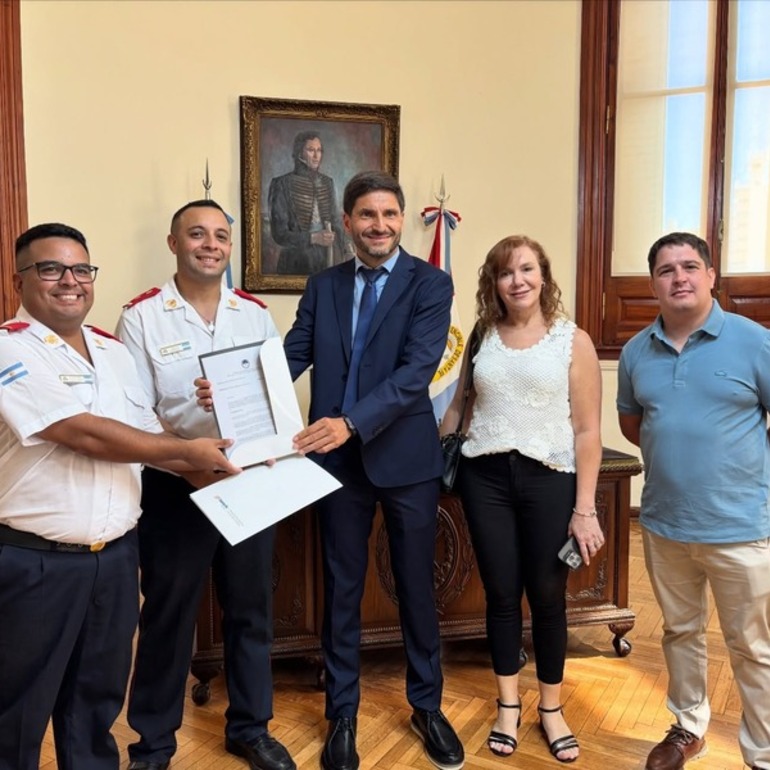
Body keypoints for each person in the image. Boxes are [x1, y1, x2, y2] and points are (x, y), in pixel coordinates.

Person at [0, 223, 240, 770]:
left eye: (81, 269)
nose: (70, 281)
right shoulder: (9, 349)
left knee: (96, 705)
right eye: (51, 268)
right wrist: (194, 452)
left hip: (113, 562)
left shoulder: (112, 351)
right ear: (21, 279)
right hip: (37, 564)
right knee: (18, 711)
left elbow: (148, 439)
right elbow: (80, 431)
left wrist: (211, 475)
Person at [284, 170, 464, 770]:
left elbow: (416, 373)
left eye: (389, 214)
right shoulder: (323, 284)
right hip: (335, 464)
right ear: (347, 222)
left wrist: (351, 422)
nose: (379, 225)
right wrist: (236, 393)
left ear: (402, 218)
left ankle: (427, 705)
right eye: (367, 215)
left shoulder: (431, 283)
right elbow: (293, 352)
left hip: (404, 459)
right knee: (342, 588)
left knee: (416, 585)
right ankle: (342, 713)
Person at [116, 201, 295, 770]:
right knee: (169, 615)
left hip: (246, 480)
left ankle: (249, 728)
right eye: (197, 234)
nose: (210, 244)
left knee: (251, 609)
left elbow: (276, 400)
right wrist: (187, 458)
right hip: (176, 486)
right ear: (174, 243)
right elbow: (135, 415)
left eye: (220, 235)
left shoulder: (254, 314)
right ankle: (154, 742)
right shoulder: (142, 317)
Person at [441, 235, 603, 763]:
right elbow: (459, 409)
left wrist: (585, 508)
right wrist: (425, 459)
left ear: (543, 275)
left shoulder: (570, 340)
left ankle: (551, 708)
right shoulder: (483, 334)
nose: (519, 280)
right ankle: (508, 704)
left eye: (528, 269)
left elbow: (587, 432)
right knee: (501, 594)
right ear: (495, 283)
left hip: (549, 478)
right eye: (507, 272)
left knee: (548, 596)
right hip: (483, 477)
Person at [617, 232, 770, 770]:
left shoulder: (754, 342)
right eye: (666, 269)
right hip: (665, 523)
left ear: (710, 276)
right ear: (653, 283)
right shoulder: (637, 351)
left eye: (689, 266)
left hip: (741, 526)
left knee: (752, 646)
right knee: (680, 632)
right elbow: (635, 425)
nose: (679, 277)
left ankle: (763, 751)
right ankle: (688, 728)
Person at [268, 130, 344, 275]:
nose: (316, 156)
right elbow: (279, 234)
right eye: (310, 150)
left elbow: (336, 222)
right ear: (299, 153)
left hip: (325, 260)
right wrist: (314, 238)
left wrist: (347, 249)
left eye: (319, 150)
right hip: (294, 262)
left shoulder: (328, 183)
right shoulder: (281, 184)